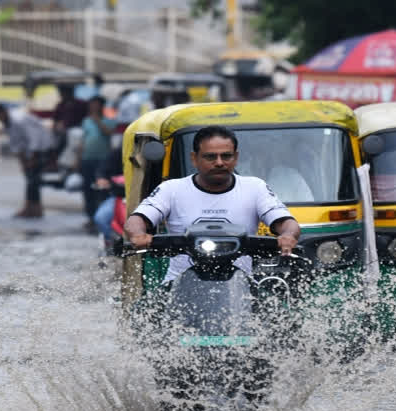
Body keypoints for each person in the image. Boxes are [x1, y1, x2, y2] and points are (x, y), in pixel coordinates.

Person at [124, 125, 301, 284]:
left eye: (226, 156)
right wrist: (139, 235)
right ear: (194, 158)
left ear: (236, 157)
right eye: (210, 157)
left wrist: (288, 235)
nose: (219, 162)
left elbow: (286, 222)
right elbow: (137, 220)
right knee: (146, 312)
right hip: (178, 286)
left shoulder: (255, 187)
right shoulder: (171, 189)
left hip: (241, 288)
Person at [0, 103, 54, 219]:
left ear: (5, 111)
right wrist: (23, 162)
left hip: (42, 147)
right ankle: (32, 207)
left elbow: (34, 138)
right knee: (30, 177)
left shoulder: (19, 119)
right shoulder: (7, 124)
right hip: (28, 151)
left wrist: (33, 158)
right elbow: (16, 145)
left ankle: (34, 208)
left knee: (33, 178)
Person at [79, 96, 114, 230]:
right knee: (87, 189)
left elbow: (107, 132)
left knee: (102, 188)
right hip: (87, 158)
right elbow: (83, 140)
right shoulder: (86, 121)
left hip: (102, 159)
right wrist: (78, 158)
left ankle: (102, 216)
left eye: (96, 104)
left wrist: (97, 120)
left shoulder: (109, 121)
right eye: (91, 104)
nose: (93, 107)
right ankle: (90, 217)